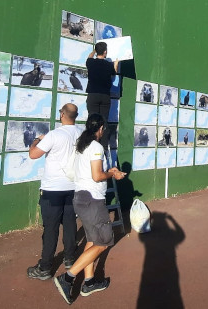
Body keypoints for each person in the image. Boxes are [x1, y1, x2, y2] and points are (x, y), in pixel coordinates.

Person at [54, 113, 126, 304]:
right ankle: (67, 278)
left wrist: (108, 172)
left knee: (93, 240)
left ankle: (89, 282)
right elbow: (96, 176)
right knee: (103, 242)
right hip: (92, 199)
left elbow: (91, 172)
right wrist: (112, 175)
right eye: (103, 129)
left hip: (81, 197)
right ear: (101, 128)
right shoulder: (95, 146)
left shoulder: (81, 144)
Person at [27, 103, 81, 280]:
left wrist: (37, 140)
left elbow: (33, 154)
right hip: (73, 187)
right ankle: (70, 258)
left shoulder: (54, 135)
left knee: (50, 229)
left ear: (63, 115)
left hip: (52, 190)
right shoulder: (81, 134)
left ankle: (45, 268)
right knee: (70, 224)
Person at [85, 42, 120, 137]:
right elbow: (114, 72)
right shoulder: (109, 65)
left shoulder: (90, 62)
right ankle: (103, 147)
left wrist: (94, 51)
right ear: (105, 52)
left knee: (92, 120)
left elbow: (89, 56)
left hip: (93, 95)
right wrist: (116, 63)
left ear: (97, 51)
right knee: (104, 122)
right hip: (105, 96)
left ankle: (90, 143)